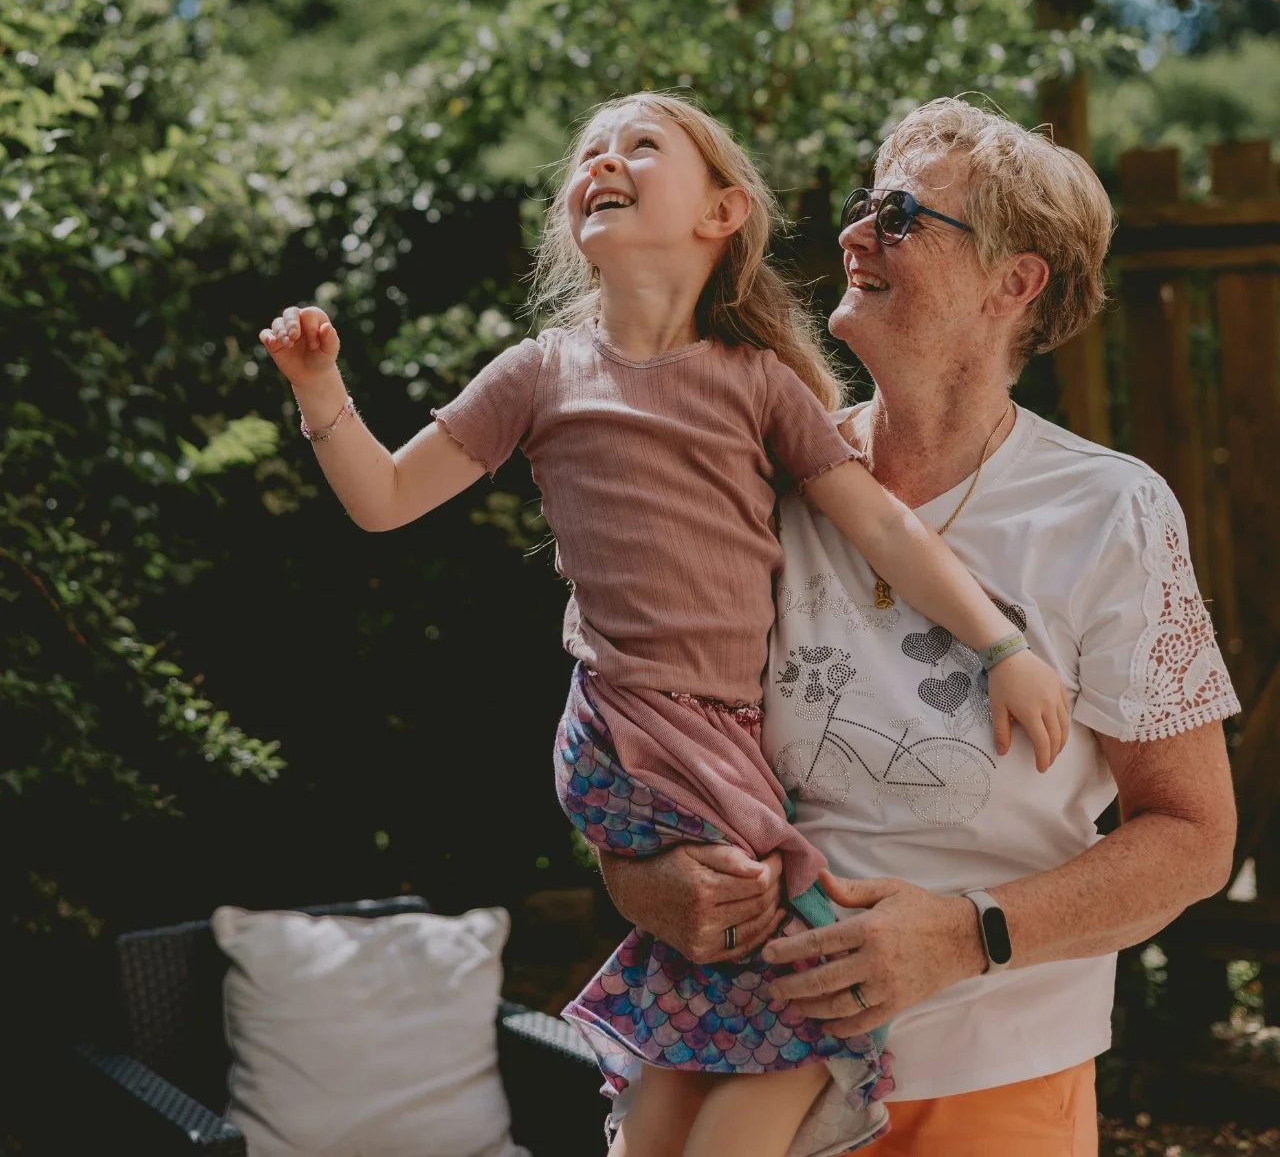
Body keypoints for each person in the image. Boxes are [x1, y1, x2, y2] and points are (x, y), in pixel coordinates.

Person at [259, 92, 1070, 1157]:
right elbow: (384, 498)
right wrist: (321, 391)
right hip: (634, 733)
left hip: (713, 741)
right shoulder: (542, 374)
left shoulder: (756, 385)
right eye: (588, 149)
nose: (602, 157)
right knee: (807, 997)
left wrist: (1002, 645)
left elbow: (882, 528)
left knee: (704, 1035)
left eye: (640, 145)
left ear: (721, 211)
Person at [599, 97, 1240, 1157]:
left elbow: (1189, 837)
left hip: (987, 1081)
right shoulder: (748, 476)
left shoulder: (1105, 513)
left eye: (897, 215)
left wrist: (968, 934)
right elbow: (630, 745)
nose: (852, 233)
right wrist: (651, 883)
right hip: (726, 1061)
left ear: (1012, 281)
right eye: (862, 206)